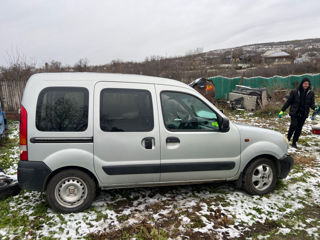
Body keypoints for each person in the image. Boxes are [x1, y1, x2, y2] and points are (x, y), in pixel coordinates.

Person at [278, 77, 317, 148]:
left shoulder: (311, 93)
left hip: (304, 114)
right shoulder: (295, 91)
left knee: (299, 128)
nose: (306, 85)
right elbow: (289, 102)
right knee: (293, 126)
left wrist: (315, 108)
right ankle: (288, 139)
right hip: (295, 112)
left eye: (308, 84)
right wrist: (282, 110)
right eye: (305, 83)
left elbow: (311, 104)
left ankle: (294, 142)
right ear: (302, 84)